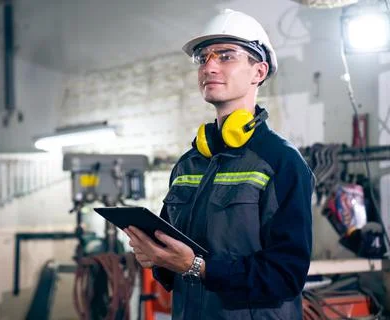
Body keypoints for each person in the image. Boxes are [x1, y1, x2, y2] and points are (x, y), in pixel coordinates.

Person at [124, 8, 315, 320]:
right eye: (203, 58)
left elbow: (286, 277)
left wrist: (196, 267)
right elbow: (171, 262)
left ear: (259, 72)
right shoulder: (189, 164)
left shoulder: (281, 161)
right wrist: (155, 257)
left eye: (226, 56)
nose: (209, 66)